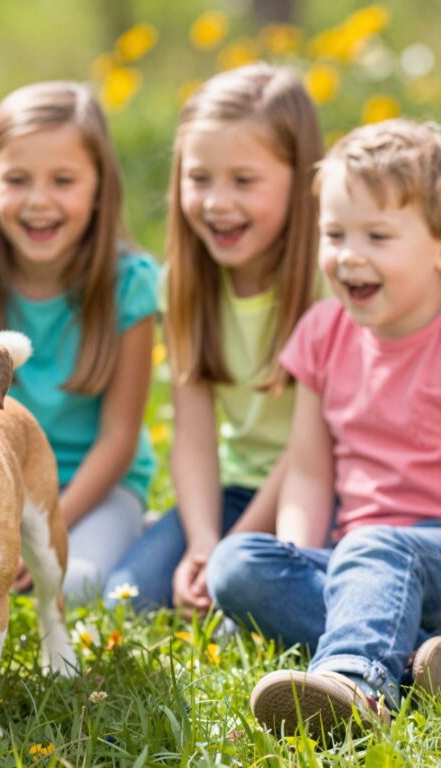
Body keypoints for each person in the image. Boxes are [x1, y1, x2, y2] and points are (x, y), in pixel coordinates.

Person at [206, 118, 441, 739]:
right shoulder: (323, 331)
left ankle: (356, 683)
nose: (348, 255)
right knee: (236, 564)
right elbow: (310, 471)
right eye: (334, 233)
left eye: (378, 236)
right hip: (354, 561)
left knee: (376, 546)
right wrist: (295, 553)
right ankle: (422, 662)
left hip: (428, 552)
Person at [0, 81, 159, 605]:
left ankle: (132, 529)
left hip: (89, 492)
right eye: (18, 180)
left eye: (64, 180)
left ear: (100, 188)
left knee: (72, 585)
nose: (39, 201)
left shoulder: (131, 284)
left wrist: (41, 527)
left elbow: (119, 439)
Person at [104, 63, 323, 613]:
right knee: (126, 599)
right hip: (234, 492)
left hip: (321, 491)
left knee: (244, 600)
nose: (217, 202)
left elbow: (310, 450)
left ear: (300, 179)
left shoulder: (329, 281)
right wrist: (203, 540)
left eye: (244, 181)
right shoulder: (182, 284)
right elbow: (195, 435)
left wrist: (230, 549)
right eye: (199, 179)